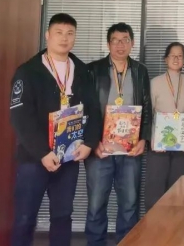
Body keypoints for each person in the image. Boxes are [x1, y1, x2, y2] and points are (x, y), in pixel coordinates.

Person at [9, 13, 102, 246]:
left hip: (68, 157)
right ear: (47, 35)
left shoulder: (82, 71)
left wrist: (89, 144)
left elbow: (94, 110)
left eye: (70, 33)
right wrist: (43, 152)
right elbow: (21, 118)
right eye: (59, 33)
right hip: (34, 158)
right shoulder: (28, 71)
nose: (64, 38)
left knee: (62, 217)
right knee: (25, 218)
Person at [85, 23, 152, 246]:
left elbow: (147, 107)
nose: (120, 45)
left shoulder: (140, 71)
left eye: (125, 40)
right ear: (108, 44)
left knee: (130, 204)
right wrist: (92, 143)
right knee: (96, 204)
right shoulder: (93, 70)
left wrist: (144, 139)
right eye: (115, 40)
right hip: (100, 149)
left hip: (130, 150)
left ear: (132, 43)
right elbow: (86, 109)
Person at [145, 42, 184, 211]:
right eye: (172, 55)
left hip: (181, 141)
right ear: (165, 59)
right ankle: (153, 224)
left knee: (177, 188)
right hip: (159, 142)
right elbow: (148, 113)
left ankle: (175, 224)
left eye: (180, 56)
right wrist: (151, 137)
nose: (176, 59)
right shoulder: (155, 82)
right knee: (155, 186)